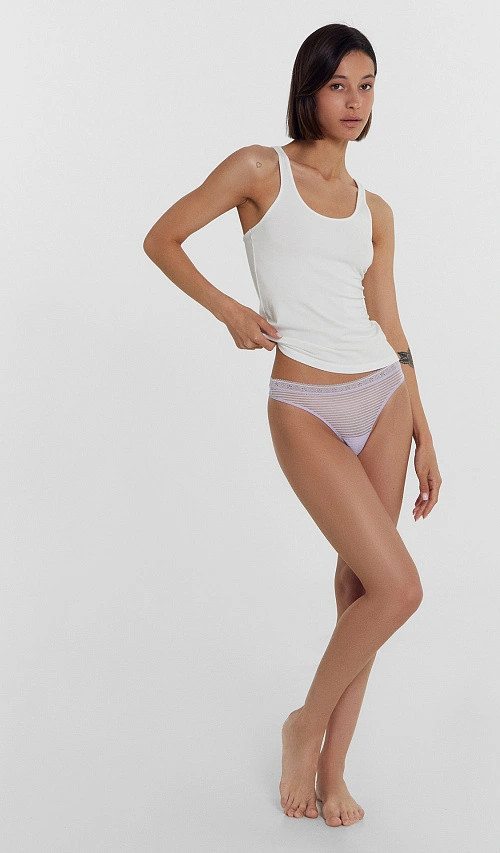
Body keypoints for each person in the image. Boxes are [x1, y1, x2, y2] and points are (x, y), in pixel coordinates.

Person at [143, 22, 442, 829]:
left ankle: (334, 769)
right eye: (339, 84)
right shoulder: (259, 170)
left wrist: (425, 427)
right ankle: (304, 724)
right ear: (309, 88)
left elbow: (390, 322)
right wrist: (229, 310)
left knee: (363, 588)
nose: (355, 101)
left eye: (367, 86)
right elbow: (162, 239)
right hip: (304, 405)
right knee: (400, 587)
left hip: (383, 396)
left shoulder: (375, 210)